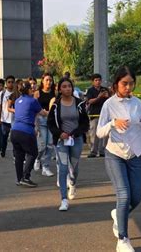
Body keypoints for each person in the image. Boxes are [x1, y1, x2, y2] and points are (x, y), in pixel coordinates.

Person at [96, 66, 141, 252]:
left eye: (131, 84)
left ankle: (118, 214)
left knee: (136, 198)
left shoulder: (137, 103)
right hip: (115, 155)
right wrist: (113, 123)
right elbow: (99, 132)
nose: (128, 87)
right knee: (124, 195)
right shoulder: (109, 104)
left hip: (135, 154)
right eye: (124, 84)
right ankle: (123, 239)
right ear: (116, 85)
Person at [48, 77, 89, 211]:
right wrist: (60, 133)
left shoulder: (79, 104)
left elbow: (85, 123)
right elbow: (51, 123)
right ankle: (63, 199)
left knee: (74, 168)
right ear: (60, 89)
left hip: (75, 139)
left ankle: (72, 182)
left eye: (69, 86)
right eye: (64, 86)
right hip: (61, 140)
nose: (67, 89)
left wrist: (74, 133)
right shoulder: (56, 105)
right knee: (63, 167)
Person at [10, 80, 42, 187]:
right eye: (31, 88)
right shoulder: (33, 101)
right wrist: (51, 111)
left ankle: (19, 179)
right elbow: (42, 112)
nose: (33, 89)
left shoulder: (17, 100)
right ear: (28, 90)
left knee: (19, 156)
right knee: (33, 153)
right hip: (26, 131)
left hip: (15, 131)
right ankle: (25, 177)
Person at [33, 73, 56, 177]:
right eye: (47, 80)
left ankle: (46, 167)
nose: (49, 82)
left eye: (50, 80)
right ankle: (38, 159)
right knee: (42, 145)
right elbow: (34, 107)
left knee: (50, 144)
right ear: (42, 81)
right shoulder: (37, 93)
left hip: (51, 121)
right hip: (40, 120)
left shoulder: (54, 93)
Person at [85, 73, 110, 158]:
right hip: (94, 114)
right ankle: (93, 151)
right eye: (96, 80)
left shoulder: (104, 89)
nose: (98, 82)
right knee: (94, 133)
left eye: (99, 80)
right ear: (92, 82)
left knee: (105, 134)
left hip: (105, 114)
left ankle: (102, 150)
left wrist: (107, 96)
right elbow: (89, 101)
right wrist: (99, 97)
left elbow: (110, 100)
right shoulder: (90, 90)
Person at [0, 75, 15, 157]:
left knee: (14, 138)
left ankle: (15, 154)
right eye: (9, 82)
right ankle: (3, 150)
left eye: (12, 82)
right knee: (4, 137)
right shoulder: (2, 93)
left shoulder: (17, 93)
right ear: (6, 84)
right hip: (5, 120)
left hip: (15, 120)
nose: (10, 84)